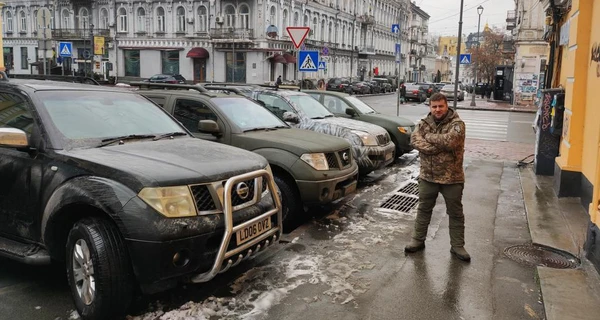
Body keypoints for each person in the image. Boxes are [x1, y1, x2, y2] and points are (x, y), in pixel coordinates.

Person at [404, 93, 470, 262]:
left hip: (452, 178)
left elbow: (451, 141)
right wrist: (435, 147)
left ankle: (457, 246)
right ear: (430, 107)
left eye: (441, 106)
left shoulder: (457, 124)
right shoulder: (424, 123)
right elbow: (414, 140)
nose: (437, 110)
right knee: (423, 209)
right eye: (434, 107)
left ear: (446, 105)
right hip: (428, 177)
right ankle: (417, 240)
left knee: (455, 213)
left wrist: (429, 139)